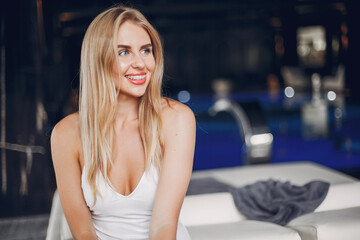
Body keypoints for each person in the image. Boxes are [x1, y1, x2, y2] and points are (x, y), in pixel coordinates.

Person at [50, 5, 195, 240]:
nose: (140, 63)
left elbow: (163, 226)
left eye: (146, 51)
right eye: (124, 52)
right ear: (99, 59)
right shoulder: (66, 134)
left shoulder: (176, 119)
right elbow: (83, 231)